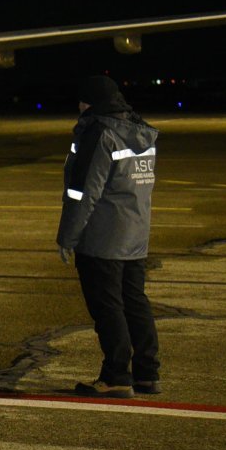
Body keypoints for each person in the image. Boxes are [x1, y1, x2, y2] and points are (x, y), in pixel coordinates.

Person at [57, 74, 161, 398]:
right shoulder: (142, 134)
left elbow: (83, 193)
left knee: (108, 308)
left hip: (103, 239)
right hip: (135, 235)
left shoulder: (99, 133)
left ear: (90, 102)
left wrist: (68, 237)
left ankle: (116, 374)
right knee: (135, 302)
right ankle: (147, 373)